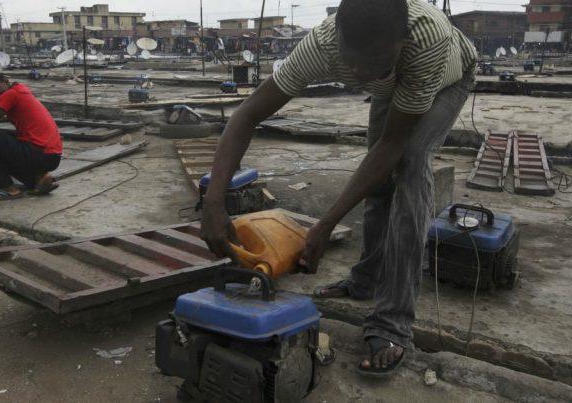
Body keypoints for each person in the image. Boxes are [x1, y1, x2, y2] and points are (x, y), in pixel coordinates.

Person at [200, 0, 476, 377]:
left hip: (447, 78)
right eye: (353, 63)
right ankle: (365, 280)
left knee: (410, 164)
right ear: (339, 39)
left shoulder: (428, 39)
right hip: (393, 86)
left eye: (374, 61)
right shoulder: (321, 46)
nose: (360, 74)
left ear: (401, 40)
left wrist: (325, 225)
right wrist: (213, 201)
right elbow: (247, 114)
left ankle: (392, 323)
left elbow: (392, 146)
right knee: (376, 184)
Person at [0, 71, 62, 201]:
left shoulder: (10, 94)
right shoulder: (20, 90)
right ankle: (38, 179)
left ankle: (6, 188)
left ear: (6, 82)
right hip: (51, 155)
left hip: (40, 153)